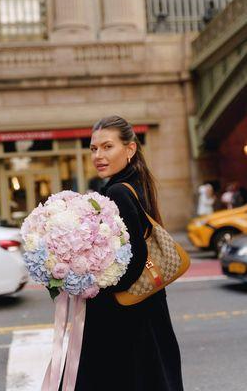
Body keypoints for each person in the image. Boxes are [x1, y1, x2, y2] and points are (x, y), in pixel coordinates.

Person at [72, 116, 184, 391]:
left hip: (124, 317)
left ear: (130, 149)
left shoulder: (118, 192)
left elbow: (132, 262)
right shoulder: (133, 183)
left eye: (107, 147)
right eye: (93, 148)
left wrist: (90, 284)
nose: (98, 155)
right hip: (143, 310)